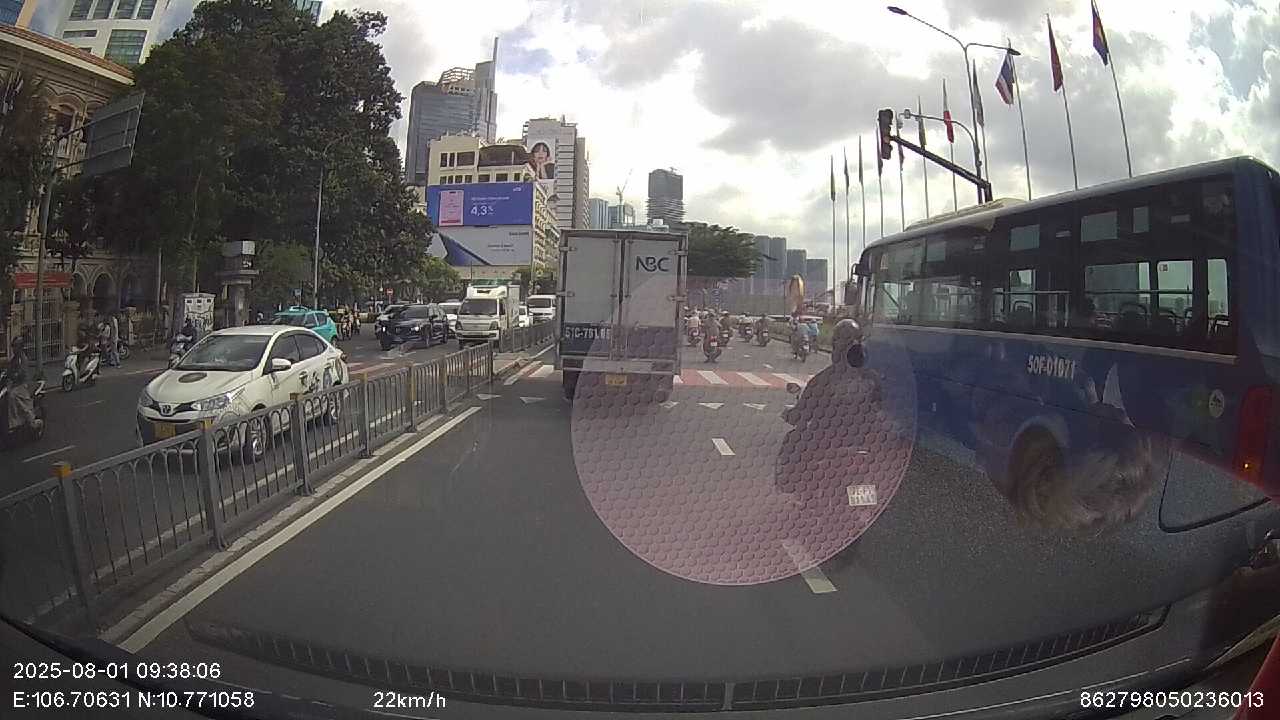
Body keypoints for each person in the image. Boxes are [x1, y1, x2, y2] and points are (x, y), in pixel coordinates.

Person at [5, 332, 42, 434]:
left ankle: (18, 423)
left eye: (15, 346)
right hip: (15, 384)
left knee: (12, 395)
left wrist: (14, 375)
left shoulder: (23, 359)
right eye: (13, 346)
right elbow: (9, 370)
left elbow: (21, 373)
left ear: (20, 347)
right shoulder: (14, 359)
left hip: (22, 385)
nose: (13, 348)